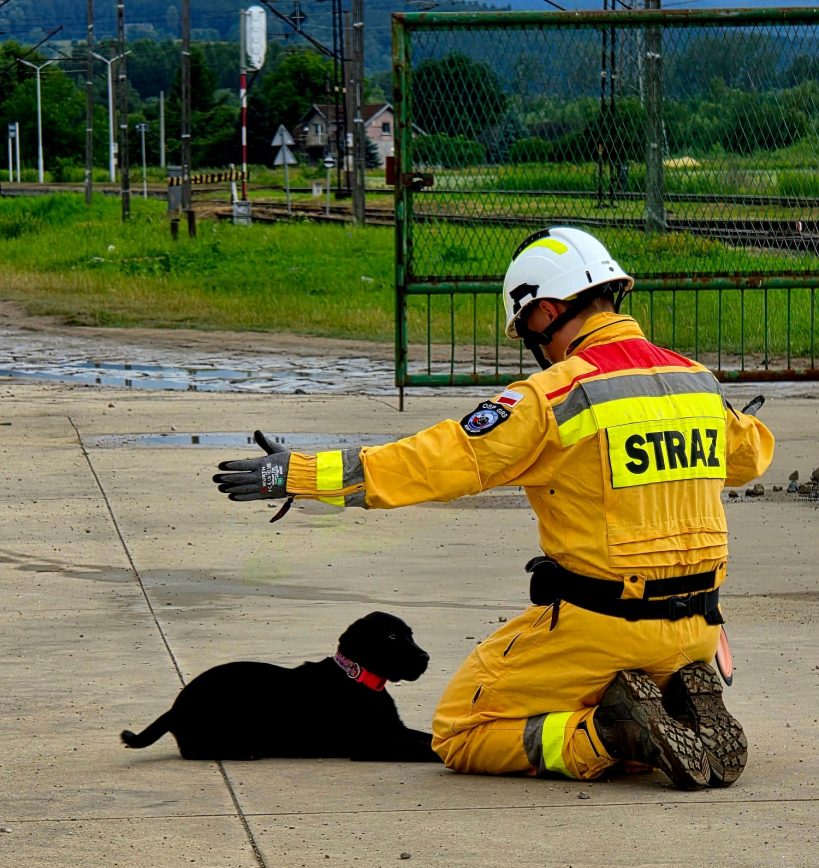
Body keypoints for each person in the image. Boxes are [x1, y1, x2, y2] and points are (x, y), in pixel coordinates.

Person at [213, 226, 774, 790]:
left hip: (604, 631)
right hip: (699, 631)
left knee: (461, 730)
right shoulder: (696, 382)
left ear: (547, 311)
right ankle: (669, 708)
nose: (535, 346)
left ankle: (607, 735)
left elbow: (436, 461)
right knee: (614, 689)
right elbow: (750, 454)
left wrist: (300, 474)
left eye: (527, 329)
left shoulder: (553, 396)